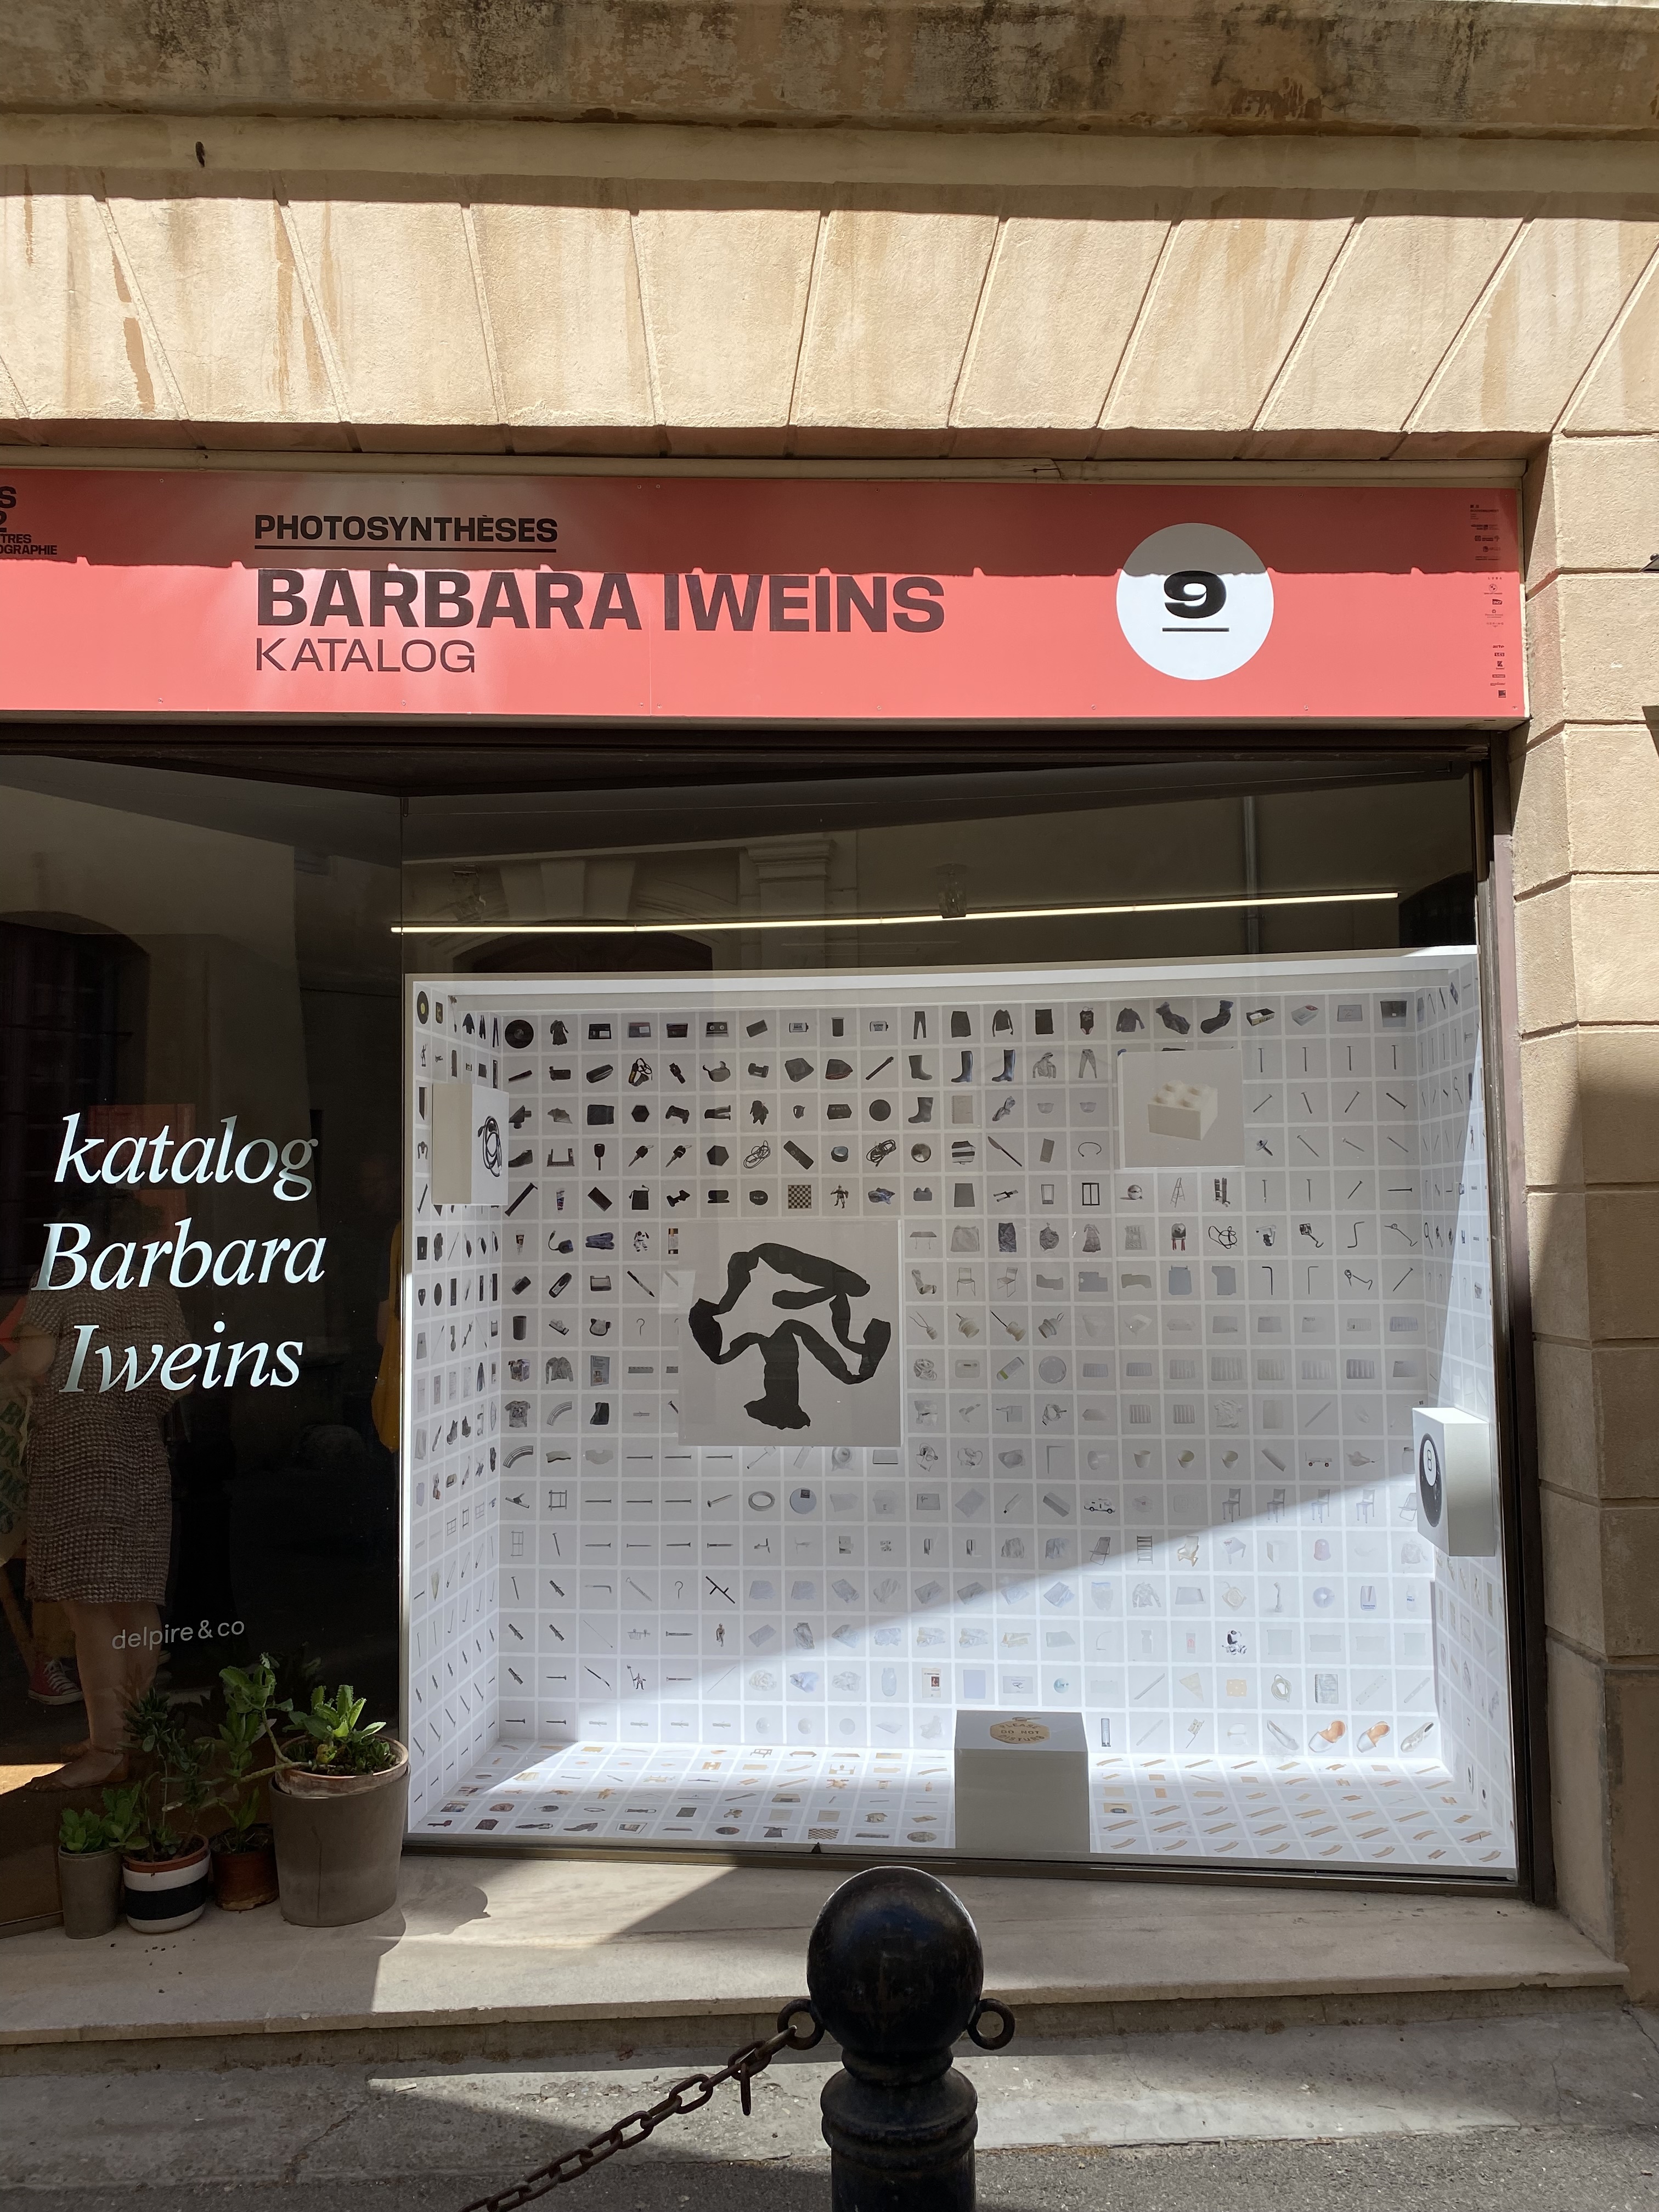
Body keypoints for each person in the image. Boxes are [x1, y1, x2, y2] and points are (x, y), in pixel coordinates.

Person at [0, 1193, 191, 1788]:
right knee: (134, 1600)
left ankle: (109, 1749)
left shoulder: (61, 1277)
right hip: (139, 1450)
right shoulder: (156, 1286)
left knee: (89, 1611)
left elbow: (35, 1360)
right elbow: (182, 1376)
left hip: (74, 1453)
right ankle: (137, 1735)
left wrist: (9, 1375)